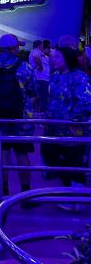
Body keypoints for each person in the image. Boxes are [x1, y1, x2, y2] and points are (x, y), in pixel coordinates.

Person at [0, 34, 37, 203]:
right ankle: (25, 194)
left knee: (2, 153)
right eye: (17, 47)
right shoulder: (24, 67)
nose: (18, 49)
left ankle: (2, 191)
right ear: (13, 48)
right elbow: (33, 91)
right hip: (20, 120)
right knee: (22, 153)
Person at [41, 47, 91, 210]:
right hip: (53, 129)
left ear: (67, 58)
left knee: (73, 163)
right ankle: (72, 196)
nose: (53, 59)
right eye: (53, 56)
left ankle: (77, 200)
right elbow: (52, 100)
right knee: (54, 158)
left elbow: (86, 103)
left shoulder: (79, 77)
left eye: (57, 57)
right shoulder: (55, 76)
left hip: (72, 131)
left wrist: (72, 120)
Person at [29, 40, 50, 114]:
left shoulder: (35, 52)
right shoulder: (36, 52)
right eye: (42, 45)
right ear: (40, 45)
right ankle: (42, 113)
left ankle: (37, 112)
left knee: (39, 96)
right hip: (42, 78)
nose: (43, 46)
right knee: (43, 97)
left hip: (40, 78)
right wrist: (40, 67)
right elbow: (36, 57)